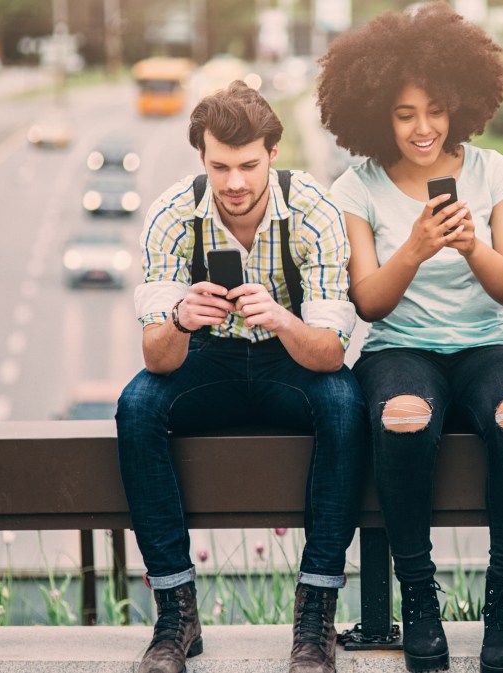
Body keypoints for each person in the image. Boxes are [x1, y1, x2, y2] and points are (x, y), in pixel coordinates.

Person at [316, 5, 503, 673]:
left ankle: (502, 601)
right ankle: (419, 598)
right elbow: (368, 301)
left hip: (487, 342)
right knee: (403, 415)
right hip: (399, 348)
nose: (424, 128)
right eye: (404, 113)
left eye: (436, 110)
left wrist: (471, 243)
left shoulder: (496, 173)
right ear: (375, 116)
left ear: (461, 104)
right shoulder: (353, 187)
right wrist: (415, 248)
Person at [116, 81, 366, 673]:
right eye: (220, 165)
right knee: (136, 407)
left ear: (273, 155)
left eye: (249, 165)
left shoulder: (312, 210)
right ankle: (176, 615)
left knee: (345, 405)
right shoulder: (174, 213)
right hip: (208, 360)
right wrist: (179, 318)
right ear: (201, 158)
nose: (235, 182)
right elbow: (157, 359)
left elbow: (329, 352)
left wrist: (280, 318)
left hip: (292, 359)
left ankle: (315, 617)